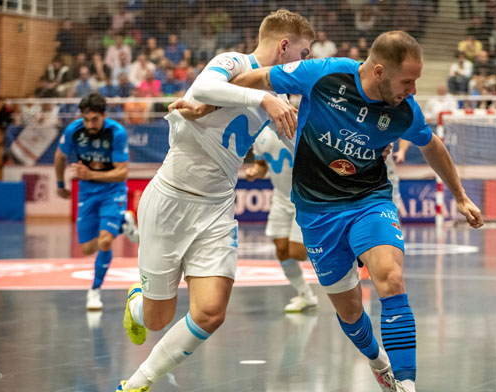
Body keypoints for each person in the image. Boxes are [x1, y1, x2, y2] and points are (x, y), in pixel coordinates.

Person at [231, 30, 484, 392]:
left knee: (392, 279)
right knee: (349, 312)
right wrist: (211, 99)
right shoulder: (323, 74)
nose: (412, 90)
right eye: (407, 81)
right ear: (379, 71)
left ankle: (407, 385)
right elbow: (257, 78)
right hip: (317, 210)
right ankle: (379, 363)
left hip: (369, 200)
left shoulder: (403, 111)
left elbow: (432, 146)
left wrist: (459, 195)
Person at [116, 10, 314, 392]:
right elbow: (205, 88)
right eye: (303, 54)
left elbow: (301, 147)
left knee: (210, 312)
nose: (303, 63)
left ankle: (138, 383)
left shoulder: (285, 95)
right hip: (170, 200)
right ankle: (136, 303)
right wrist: (264, 99)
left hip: (217, 209)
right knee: (156, 318)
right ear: (284, 45)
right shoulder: (233, 61)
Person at [52, 93, 138, 311]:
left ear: (104, 116)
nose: (90, 125)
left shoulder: (116, 133)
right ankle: (123, 222)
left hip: (112, 191)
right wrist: (60, 184)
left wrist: (90, 174)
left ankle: (94, 291)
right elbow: (60, 156)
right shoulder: (74, 130)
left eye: (95, 120)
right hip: (87, 193)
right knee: (89, 248)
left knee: (105, 242)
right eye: (86, 119)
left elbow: (122, 173)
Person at [245, 125, 319, 312]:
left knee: (298, 252)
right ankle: (306, 296)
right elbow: (262, 166)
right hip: (280, 197)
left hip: (305, 198)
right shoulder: (259, 132)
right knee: (282, 250)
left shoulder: (298, 125)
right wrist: (255, 171)